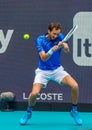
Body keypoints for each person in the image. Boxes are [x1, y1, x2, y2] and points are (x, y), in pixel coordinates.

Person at [20, 22, 82, 125]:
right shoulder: (40, 40)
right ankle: (28, 112)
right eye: (54, 33)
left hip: (57, 70)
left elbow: (67, 50)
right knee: (34, 93)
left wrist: (64, 46)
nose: (56, 36)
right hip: (43, 71)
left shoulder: (60, 37)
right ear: (49, 31)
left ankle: (74, 111)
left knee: (75, 86)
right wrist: (52, 50)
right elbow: (43, 58)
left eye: (58, 34)